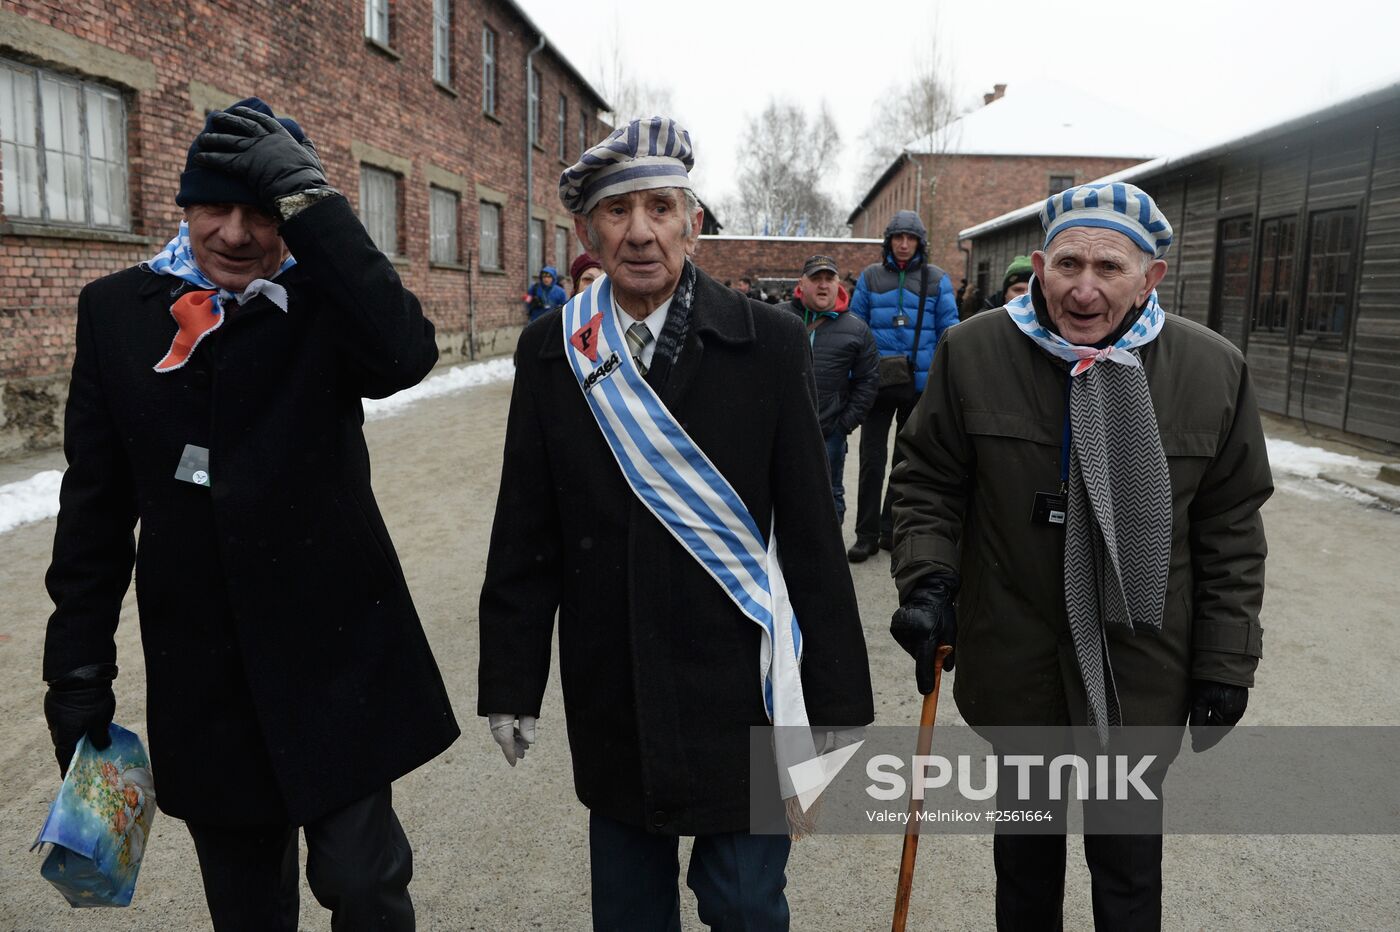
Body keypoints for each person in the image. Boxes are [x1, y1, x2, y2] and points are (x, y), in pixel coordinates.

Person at [40, 97, 459, 930]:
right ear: (184, 207)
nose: (235, 233)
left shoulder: (329, 302)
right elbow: (94, 509)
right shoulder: (116, 312)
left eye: (263, 213)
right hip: (206, 670)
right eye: (214, 208)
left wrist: (314, 202)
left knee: (367, 884)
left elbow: (406, 354)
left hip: (337, 650)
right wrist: (77, 673)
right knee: (247, 909)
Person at [478, 116, 873, 931]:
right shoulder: (554, 351)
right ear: (588, 231)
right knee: (629, 911)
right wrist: (511, 681)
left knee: (744, 904)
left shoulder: (766, 343)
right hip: (614, 671)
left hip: (744, 677)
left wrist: (836, 694)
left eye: (660, 208)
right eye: (618, 213)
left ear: (693, 222)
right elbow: (528, 527)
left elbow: (807, 523)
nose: (640, 233)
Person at [887, 182, 1272, 928]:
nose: (1084, 289)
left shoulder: (1213, 371)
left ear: (1151, 277)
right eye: (1067, 265)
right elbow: (928, 481)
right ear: (1037, 266)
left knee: (1128, 869)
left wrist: (1225, 661)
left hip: (1139, 665)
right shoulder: (974, 353)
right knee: (1024, 863)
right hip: (1019, 656)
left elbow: (1230, 531)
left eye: (1109, 267)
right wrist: (929, 578)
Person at [847, 210, 959, 562]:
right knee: (871, 462)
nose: (904, 244)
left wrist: (943, 384)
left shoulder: (937, 279)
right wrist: (854, 379)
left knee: (904, 463)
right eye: (898, 237)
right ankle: (865, 534)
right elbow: (855, 330)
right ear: (889, 241)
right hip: (876, 385)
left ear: (920, 243)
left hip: (918, 386)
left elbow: (948, 334)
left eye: (910, 238)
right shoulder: (869, 278)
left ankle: (888, 529)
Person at [781, 255, 879, 525]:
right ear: (802, 284)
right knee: (781, 494)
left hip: (829, 433)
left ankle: (829, 562)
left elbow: (868, 381)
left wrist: (843, 425)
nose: (823, 285)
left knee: (829, 496)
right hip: (781, 432)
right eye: (816, 279)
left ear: (838, 284)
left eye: (829, 279)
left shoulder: (857, 329)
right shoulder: (776, 318)